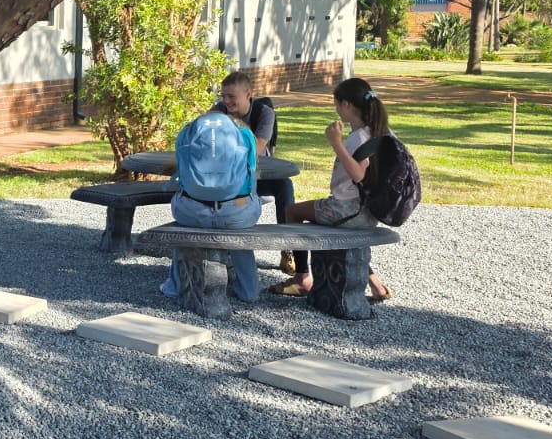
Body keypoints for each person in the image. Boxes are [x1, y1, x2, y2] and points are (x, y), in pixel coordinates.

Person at [272, 76, 393, 302]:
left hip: (349, 210)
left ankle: (302, 278)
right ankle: (376, 285)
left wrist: (336, 143)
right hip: (370, 210)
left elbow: (359, 175)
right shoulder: (382, 131)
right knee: (326, 226)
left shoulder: (359, 137)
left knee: (292, 212)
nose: (336, 109)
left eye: (336, 104)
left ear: (346, 105)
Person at [158, 108, 263, 303]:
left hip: (192, 211)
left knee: (182, 205)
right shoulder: (244, 134)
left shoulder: (189, 133)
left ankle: (175, 285)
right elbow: (252, 177)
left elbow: (182, 178)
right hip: (236, 211)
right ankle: (249, 290)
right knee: (249, 203)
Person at [214, 71, 304, 278]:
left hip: (260, 177)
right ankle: (220, 249)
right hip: (230, 178)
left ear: (248, 94)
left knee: (284, 186)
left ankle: (288, 251)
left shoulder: (264, 113)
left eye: (231, 96)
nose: (226, 101)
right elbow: (200, 132)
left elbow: (256, 148)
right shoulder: (219, 110)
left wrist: (233, 124)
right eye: (223, 96)